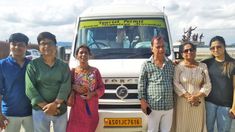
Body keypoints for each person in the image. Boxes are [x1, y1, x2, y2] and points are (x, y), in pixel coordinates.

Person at [25, 32, 71, 132]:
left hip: (60, 109)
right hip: (39, 110)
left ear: (55, 46)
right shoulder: (33, 65)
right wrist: (46, 107)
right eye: (42, 43)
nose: (46, 46)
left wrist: (55, 105)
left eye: (50, 43)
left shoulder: (63, 66)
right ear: (39, 47)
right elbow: (30, 88)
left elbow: (66, 86)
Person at [138, 35, 174, 132]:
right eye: (158, 47)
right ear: (152, 48)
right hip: (153, 107)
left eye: (163, 46)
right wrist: (142, 102)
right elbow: (141, 84)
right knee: (152, 130)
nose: (161, 49)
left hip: (169, 106)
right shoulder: (146, 64)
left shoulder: (171, 64)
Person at [174, 42, 211, 132]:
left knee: (197, 126)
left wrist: (196, 97)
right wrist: (188, 96)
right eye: (186, 50)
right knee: (183, 126)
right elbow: (176, 83)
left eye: (191, 50)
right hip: (182, 103)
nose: (189, 52)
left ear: (195, 51)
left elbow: (208, 84)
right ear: (182, 53)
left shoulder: (203, 66)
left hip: (198, 102)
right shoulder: (178, 67)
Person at [66, 44, 105, 132]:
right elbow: (66, 86)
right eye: (81, 53)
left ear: (89, 55)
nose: (83, 55)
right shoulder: (73, 71)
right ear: (76, 56)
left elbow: (102, 88)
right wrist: (73, 86)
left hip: (91, 108)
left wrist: (92, 94)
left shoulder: (95, 71)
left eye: (86, 53)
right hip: (76, 109)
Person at [0, 33, 33, 132]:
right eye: (14, 44)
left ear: (26, 47)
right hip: (10, 112)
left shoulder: (32, 65)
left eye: (21, 44)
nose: (17, 47)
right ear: (9, 45)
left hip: (31, 112)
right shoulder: (2, 65)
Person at [202, 36, 235, 132]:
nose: (216, 49)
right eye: (212, 48)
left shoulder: (232, 64)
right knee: (207, 129)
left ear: (224, 47)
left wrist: (234, 107)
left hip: (226, 106)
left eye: (219, 46)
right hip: (209, 103)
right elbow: (191, 65)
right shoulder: (207, 63)